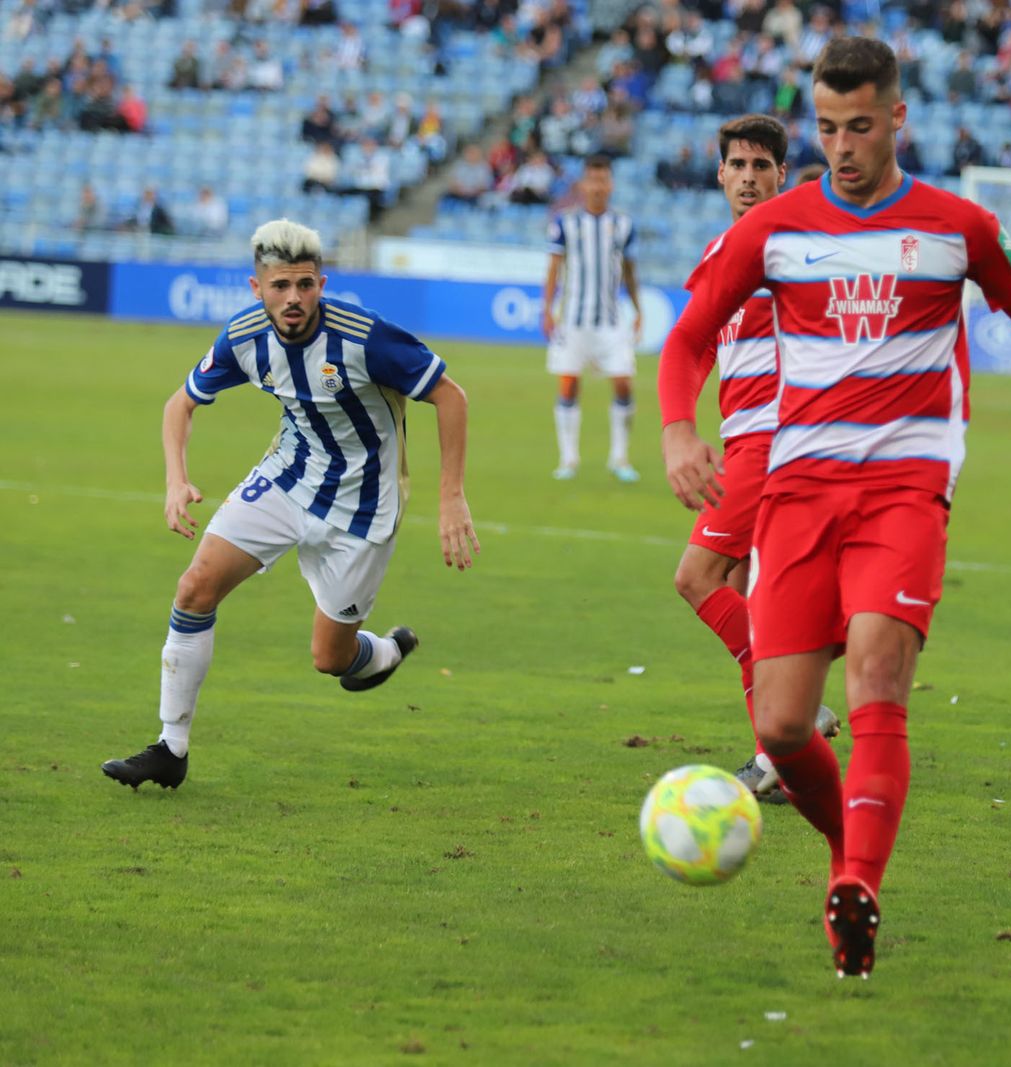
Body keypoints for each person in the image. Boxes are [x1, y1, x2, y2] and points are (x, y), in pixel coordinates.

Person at [656, 37, 1011, 978]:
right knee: (785, 727)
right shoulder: (773, 229)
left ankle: (859, 885)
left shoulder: (955, 225)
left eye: (859, 127)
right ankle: (846, 854)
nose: (842, 147)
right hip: (795, 491)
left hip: (905, 490)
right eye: (827, 128)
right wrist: (677, 430)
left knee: (875, 674)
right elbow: (689, 336)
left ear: (897, 118)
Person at [102, 219, 479, 791]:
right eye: (280, 286)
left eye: (305, 285)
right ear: (258, 289)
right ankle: (170, 748)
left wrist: (451, 497)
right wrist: (176, 480)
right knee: (194, 587)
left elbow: (449, 396)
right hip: (286, 479)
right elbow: (179, 405)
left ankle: (383, 652)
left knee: (330, 658)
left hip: (363, 506)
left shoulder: (365, 338)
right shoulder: (245, 335)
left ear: (321, 283)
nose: (294, 298)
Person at [661, 114, 841, 805]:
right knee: (742, 583)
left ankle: (781, 747)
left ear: (780, 175)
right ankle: (799, 720)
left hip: (778, 444)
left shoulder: (798, 245)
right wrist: (685, 424)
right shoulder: (720, 252)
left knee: (696, 578)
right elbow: (699, 344)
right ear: (719, 174)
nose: (747, 178)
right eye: (737, 165)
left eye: (761, 166)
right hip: (744, 440)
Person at [541, 155, 644, 482]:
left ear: (610, 184)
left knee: (624, 383)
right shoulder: (564, 223)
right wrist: (547, 309)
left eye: (603, 180)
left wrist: (638, 309)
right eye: (592, 180)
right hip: (573, 320)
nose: (597, 186)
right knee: (568, 384)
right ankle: (568, 459)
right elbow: (554, 268)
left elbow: (629, 270)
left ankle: (620, 457)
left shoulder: (624, 225)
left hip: (611, 321)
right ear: (583, 184)